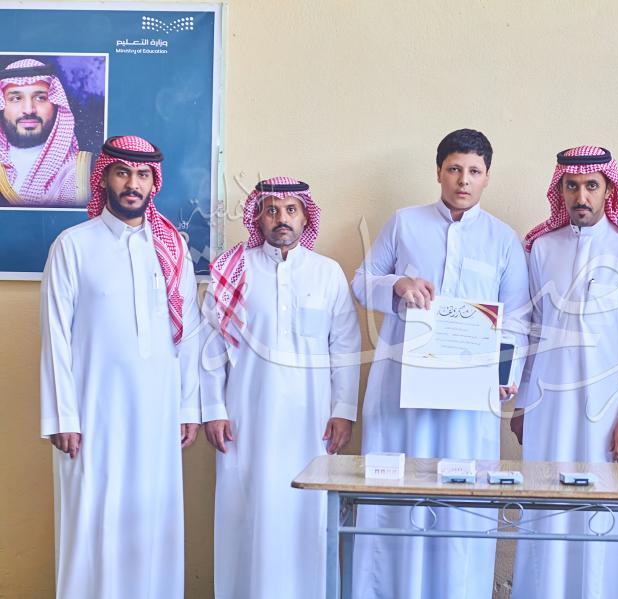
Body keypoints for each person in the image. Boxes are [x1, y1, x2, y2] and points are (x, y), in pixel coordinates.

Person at [351, 129, 530, 599]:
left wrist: (503, 376)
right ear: (438, 172)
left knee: (460, 501)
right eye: (454, 169)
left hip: (467, 401)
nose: (463, 180)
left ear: (487, 177)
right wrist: (397, 284)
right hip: (402, 392)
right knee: (398, 496)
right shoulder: (404, 223)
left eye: (474, 171)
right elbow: (361, 281)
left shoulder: (503, 240)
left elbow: (516, 318)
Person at [40, 135, 201, 598]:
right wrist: (62, 417)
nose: (133, 184)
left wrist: (187, 408)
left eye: (143, 175)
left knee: (152, 522)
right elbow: (55, 336)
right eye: (122, 173)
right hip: (92, 415)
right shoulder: (73, 245)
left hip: (157, 415)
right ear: (104, 178)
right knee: (92, 522)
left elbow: (189, 334)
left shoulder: (172, 248)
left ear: (154, 182)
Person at [509, 145, 618, 599]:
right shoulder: (540, 248)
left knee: (600, 516)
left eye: (592, 185)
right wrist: (522, 403)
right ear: (560, 191)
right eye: (571, 186)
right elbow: (531, 330)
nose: (581, 196)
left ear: (609, 189)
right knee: (545, 510)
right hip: (548, 409)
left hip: (607, 413)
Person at [200, 176, 360, 598]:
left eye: (291, 210)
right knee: (249, 513)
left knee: (306, 513)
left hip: (312, 423)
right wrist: (213, 409)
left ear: (306, 217)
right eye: (271, 210)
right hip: (245, 420)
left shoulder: (327, 273)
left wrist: (343, 411)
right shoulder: (233, 271)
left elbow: (345, 346)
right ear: (258, 217)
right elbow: (210, 348)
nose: (281, 218)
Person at [0, 59, 90, 206]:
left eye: (40, 98)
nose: (29, 109)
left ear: (56, 104)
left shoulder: (78, 172)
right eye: (16, 98)